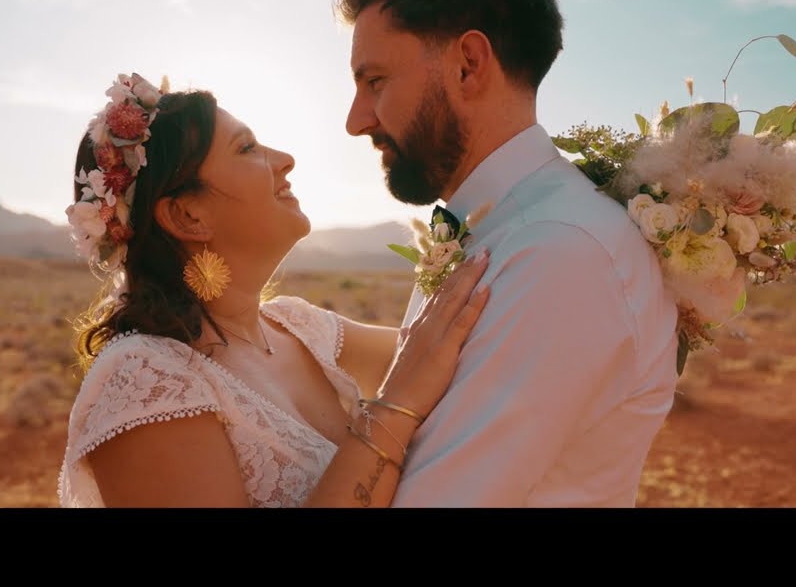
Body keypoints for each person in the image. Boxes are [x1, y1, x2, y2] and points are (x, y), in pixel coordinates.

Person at [336, 0, 680, 507]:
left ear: (468, 65)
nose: (356, 121)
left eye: (375, 80)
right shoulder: (501, 231)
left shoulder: (560, 254)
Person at [57, 73, 492, 507]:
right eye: (246, 148)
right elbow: (413, 377)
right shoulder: (146, 381)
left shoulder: (299, 328)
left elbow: (458, 352)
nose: (285, 160)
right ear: (188, 216)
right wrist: (397, 404)